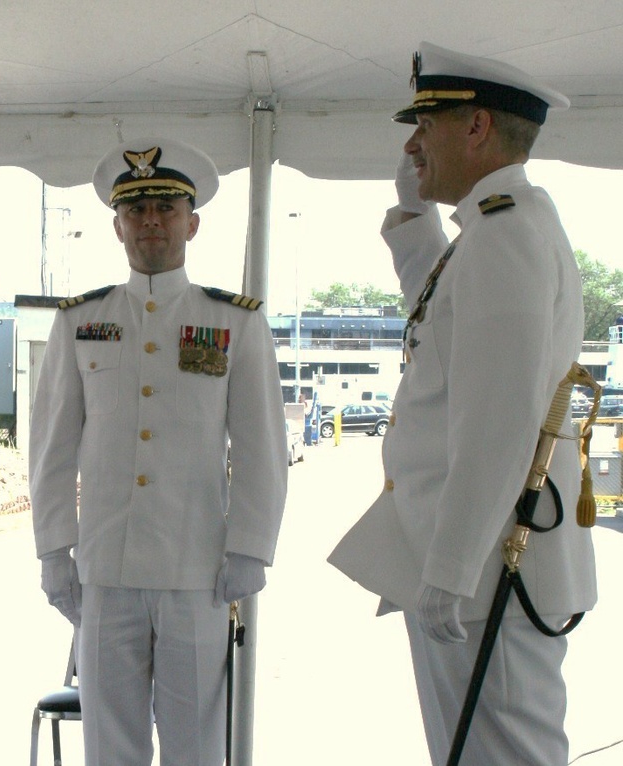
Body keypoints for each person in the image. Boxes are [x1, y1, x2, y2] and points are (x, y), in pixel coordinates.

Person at [328, 42, 597, 765]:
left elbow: (496, 422)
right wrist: (412, 217)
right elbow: (441, 322)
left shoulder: (504, 233)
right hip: (482, 560)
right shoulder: (494, 229)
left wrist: (449, 569)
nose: (413, 144)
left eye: (425, 123)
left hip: (488, 566)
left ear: (476, 128)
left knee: (502, 756)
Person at [29, 137, 288, 765]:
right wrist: (53, 548)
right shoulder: (79, 321)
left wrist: (251, 547)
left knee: (195, 745)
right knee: (108, 745)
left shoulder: (235, 323)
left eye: (166, 208)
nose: (151, 221)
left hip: (195, 573)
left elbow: (261, 448)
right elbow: (52, 448)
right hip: (105, 573)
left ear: (192, 223)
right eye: (136, 209)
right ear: (117, 226)